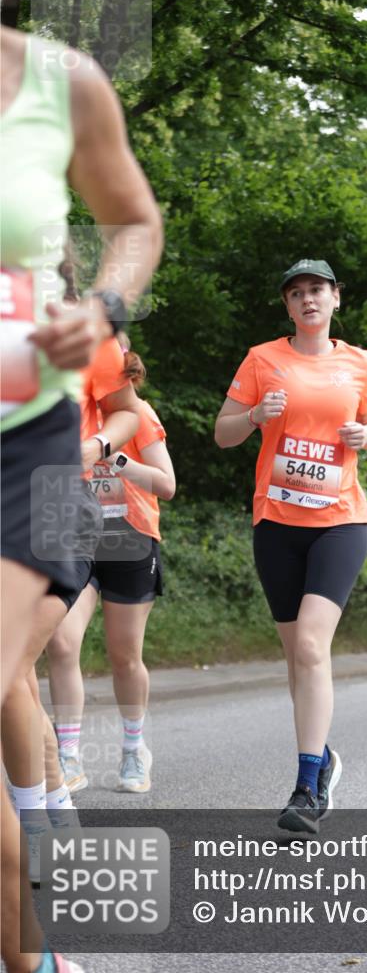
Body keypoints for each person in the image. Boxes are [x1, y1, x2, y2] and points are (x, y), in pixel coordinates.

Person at [1, 6, 162, 973]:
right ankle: (38, 870)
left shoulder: (90, 341)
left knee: (54, 642)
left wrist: (97, 316)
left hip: (45, 462)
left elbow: (136, 424)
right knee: (25, 660)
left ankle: (63, 786)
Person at [214, 258, 367, 834]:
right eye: (296, 293)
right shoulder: (263, 359)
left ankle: (307, 785)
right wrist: (256, 414)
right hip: (278, 523)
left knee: (311, 645)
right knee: (297, 657)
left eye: (317, 289)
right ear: (287, 307)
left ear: (336, 297)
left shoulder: (358, 362)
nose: (307, 299)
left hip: (340, 521)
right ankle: (325, 753)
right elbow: (224, 432)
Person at [47, 338, 176, 794]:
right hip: (74, 535)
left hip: (128, 539)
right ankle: (67, 755)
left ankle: (133, 748)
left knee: (124, 657)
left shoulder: (135, 414)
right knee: (61, 643)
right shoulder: (68, 407)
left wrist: (113, 457)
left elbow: (167, 484)